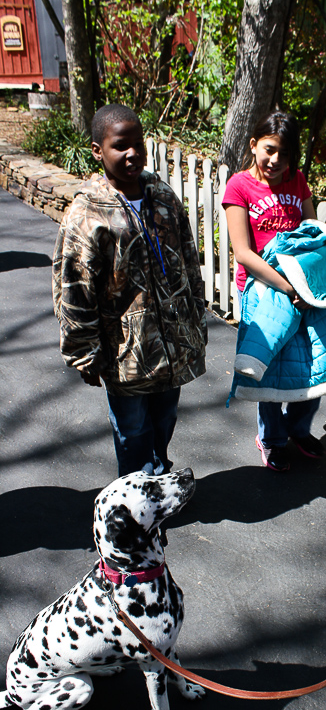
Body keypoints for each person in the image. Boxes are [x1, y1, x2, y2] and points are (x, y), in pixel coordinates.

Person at [53, 103, 207, 477]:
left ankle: (159, 478)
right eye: (121, 146)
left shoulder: (163, 197)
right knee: (132, 431)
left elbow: (189, 261)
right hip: (125, 355)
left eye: (138, 143)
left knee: (164, 420)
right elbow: (73, 288)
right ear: (98, 150)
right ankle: (137, 494)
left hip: (172, 346)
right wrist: (84, 352)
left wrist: (196, 319)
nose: (132, 153)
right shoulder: (87, 215)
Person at [222, 111, 323, 472]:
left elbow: (313, 232)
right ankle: (272, 438)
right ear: (253, 145)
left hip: (299, 287)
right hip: (261, 290)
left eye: (285, 153)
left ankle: (298, 427)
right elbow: (243, 253)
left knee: (312, 363)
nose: (276, 160)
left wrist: (308, 284)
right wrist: (286, 286)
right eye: (269, 150)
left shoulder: (298, 181)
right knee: (271, 369)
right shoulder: (239, 186)